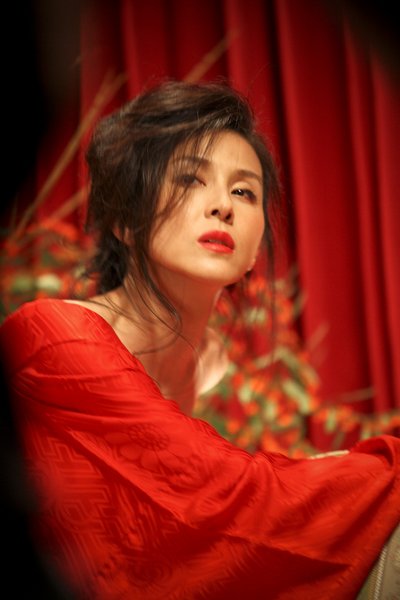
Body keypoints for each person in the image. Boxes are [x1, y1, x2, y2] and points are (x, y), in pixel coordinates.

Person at [0, 80, 399, 600]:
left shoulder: (212, 364)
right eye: (190, 180)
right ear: (124, 220)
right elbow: (224, 498)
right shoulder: (55, 337)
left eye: (244, 192)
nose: (223, 207)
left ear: (255, 252)